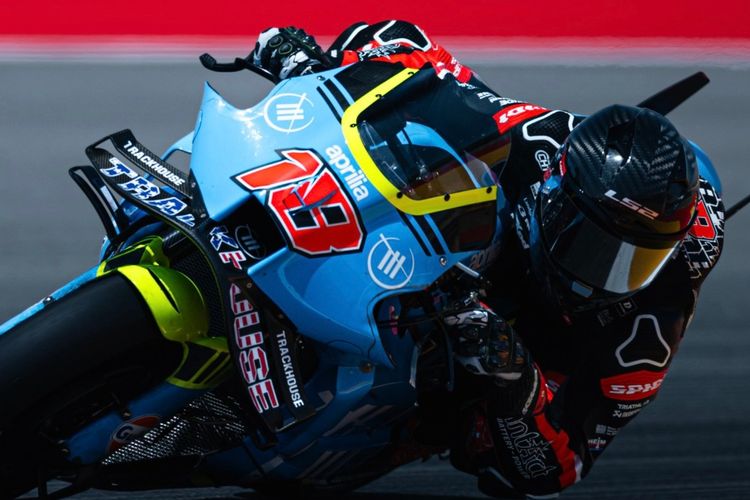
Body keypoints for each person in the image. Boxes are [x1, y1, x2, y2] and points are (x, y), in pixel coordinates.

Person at [251, 21, 724, 497]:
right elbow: (409, 47)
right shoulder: (534, 140)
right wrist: (316, 67)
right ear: (554, 195)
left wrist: (516, 385)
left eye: (635, 262)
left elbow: (557, 473)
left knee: (478, 442)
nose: (600, 278)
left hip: (525, 347)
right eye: (594, 248)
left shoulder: (651, 323)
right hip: (468, 248)